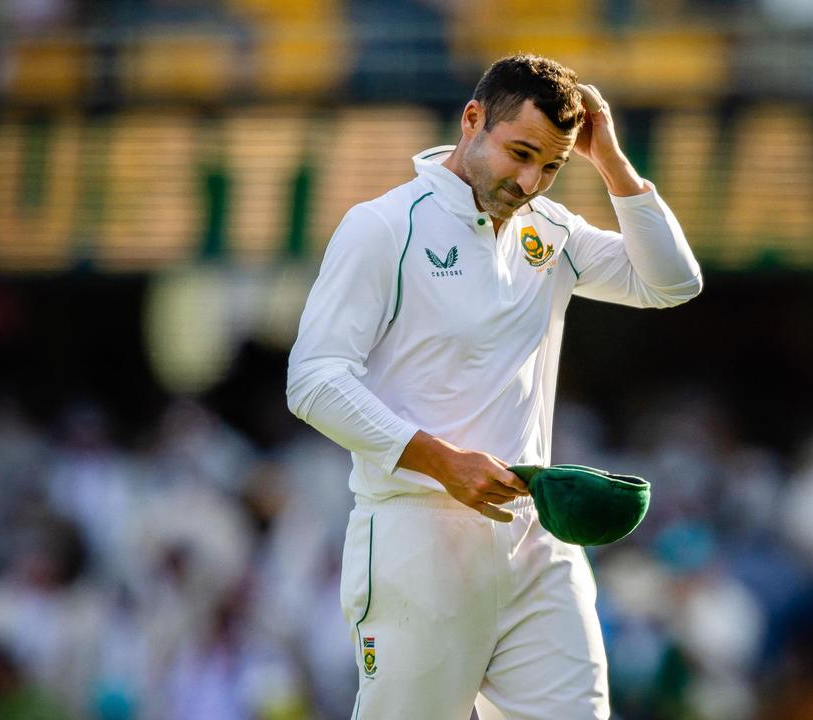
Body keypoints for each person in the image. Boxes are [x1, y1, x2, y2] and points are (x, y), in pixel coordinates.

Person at [285, 54, 702, 719]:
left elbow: (671, 283)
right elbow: (311, 380)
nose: (531, 180)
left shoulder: (551, 231)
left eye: (552, 165)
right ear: (472, 119)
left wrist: (611, 161)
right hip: (416, 533)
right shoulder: (386, 226)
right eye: (520, 153)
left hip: (536, 539)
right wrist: (441, 462)